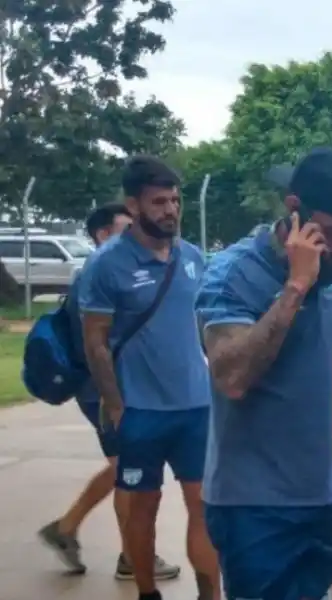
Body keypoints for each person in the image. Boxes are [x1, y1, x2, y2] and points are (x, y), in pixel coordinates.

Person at [196, 147, 332, 600]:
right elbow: (231, 377)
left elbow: (324, 355)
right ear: (294, 209)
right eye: (331, 233)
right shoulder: (233, 273)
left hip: (318, 495)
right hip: (253, 505)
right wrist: (295, 287)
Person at [80, 157, 219, 600]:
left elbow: (204, 325)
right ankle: (146, 592)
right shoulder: (107, 264)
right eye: (159, 202)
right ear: (133, 205)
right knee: (143, 507)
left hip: (196, 407)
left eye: (175, 200)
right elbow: (95, 342)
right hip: (139, 410)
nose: (170, 210)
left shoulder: (191, 257)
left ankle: (209, 594)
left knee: (204, 506)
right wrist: (115, 404)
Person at [38, 203, 180, 581]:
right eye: (126, 227)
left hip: (116, 386)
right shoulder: (99, 271)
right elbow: (99, 341)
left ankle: (72, 529)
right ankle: (129, 555)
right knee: (129, 469)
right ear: (103, 234)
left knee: (125, 466)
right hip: (102, 388)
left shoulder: (112, 268)